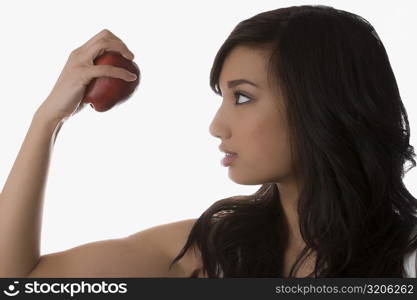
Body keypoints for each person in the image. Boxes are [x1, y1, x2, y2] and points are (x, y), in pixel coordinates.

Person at [1, 4, 416, 278]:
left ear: (322, 102)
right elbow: (14, 281)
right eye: (223, 97)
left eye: (243, 97)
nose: (217, 126)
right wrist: (47, 119)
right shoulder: (209, 251)